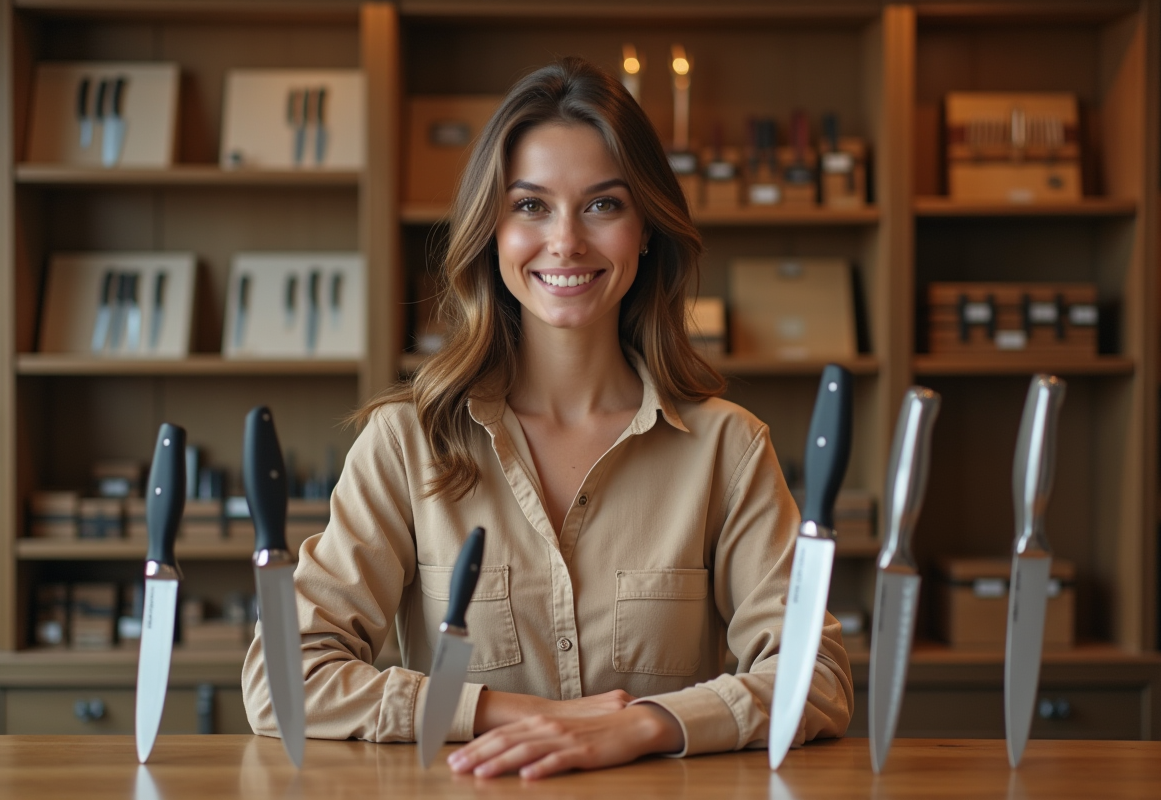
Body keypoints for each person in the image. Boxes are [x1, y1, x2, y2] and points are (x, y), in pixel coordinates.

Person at [242, 56, 852, 779]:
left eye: (603, 205)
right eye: (530, 205)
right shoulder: (407, 443)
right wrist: (514, 713)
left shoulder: (728, 447)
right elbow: (283, 680)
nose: (566, 241)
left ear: (647, 228)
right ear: (491, 230)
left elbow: (816, 678)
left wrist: (644, 728)